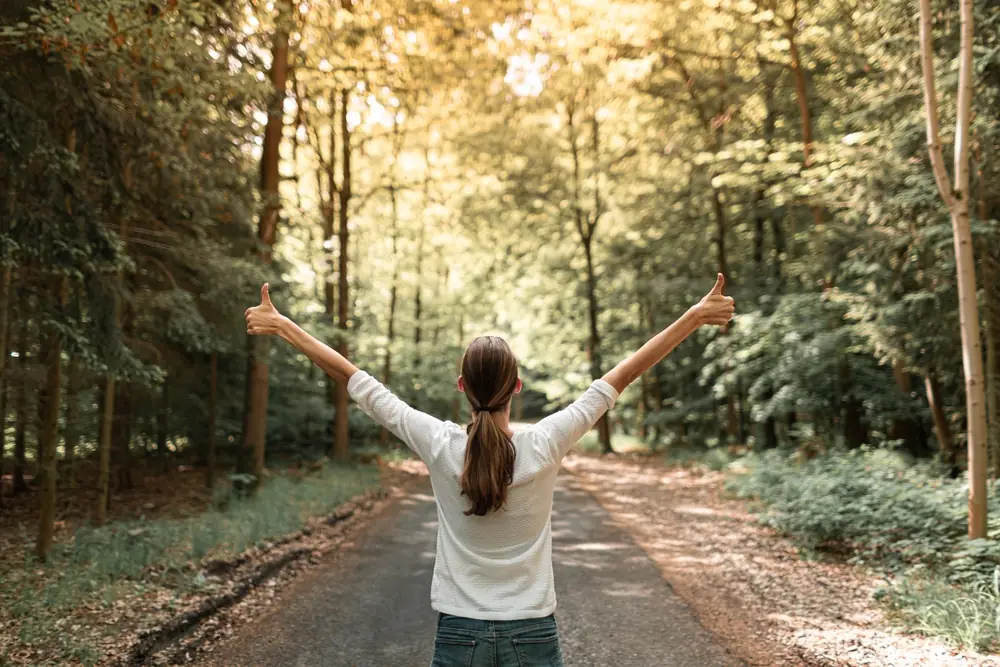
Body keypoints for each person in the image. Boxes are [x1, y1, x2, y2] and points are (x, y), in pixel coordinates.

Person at [245, 274, 735, 667]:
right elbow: (623, 375)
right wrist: (692, 316)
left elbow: (356, 380)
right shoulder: (546, 443)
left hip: (459, 633)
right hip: (533, 631)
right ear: (517, 386)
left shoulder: (438, 443)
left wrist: (284, 324)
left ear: (461, 385)